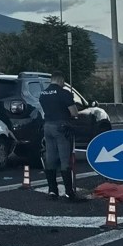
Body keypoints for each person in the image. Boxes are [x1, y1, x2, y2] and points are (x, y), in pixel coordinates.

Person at [39, 72, 83, 202]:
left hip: (47, 127)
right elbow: (74, 113)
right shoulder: (64, 93)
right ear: (60, 80)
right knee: (65, 160)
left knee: (50, 158)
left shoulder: (43, 94)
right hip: (61, 127)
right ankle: (69, 193)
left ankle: (52, 191)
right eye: (63, 82)